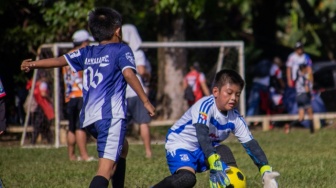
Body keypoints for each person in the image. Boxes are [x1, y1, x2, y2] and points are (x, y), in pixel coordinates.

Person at [21, 7, 155, 188]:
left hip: (89, 118)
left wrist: (33, 64)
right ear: (117, 30)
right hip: (110, 116)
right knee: (104, 170)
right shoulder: (122, 49)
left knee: (122, 147)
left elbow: (60, 60)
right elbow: (130, 74)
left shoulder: (87, 52)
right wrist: (146, 101)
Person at [152, 69, 279, 188]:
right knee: (186, 179)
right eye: (229, 93)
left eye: (237, 94)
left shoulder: (236, 118)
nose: (233, 98)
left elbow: (251, 145)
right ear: (216, 92)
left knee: (224, 153)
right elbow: (202, 135)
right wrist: (213, 160)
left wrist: (265, 170)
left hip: (203, 149)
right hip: (181, 145)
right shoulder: (205, 106)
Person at [62, 29, 95, 161]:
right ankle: (84, 155)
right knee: (80, 127)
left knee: (71, 127)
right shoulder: (81, 56)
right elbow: (83, 74)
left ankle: (71, 155)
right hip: (80, 95)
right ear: (84, 42)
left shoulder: (67, 56)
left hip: (69, 96)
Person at [122, 24, 153, 158]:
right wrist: (148, 75)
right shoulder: (138, 52)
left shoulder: (120, 51)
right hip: (137, 91)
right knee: (143, 122)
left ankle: (118, 151)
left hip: (123, 92)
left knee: (121, 125)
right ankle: (148, 152)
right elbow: (141, 70)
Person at [285, 41, 313, 115]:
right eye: (298, 48)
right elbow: (289, 69)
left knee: (306, 99)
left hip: (304, 80)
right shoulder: (292, 57)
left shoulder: (306, 57)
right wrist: (289, 80)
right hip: (295, 81)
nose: (299, 50)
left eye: (300, 48)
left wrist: (310, 80)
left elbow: (309, 69)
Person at [27, 72, 55, 144]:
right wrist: (50, 99)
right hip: (44, 106)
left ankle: (50, 141)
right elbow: (43, 93)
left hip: (39, 106)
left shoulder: (36, 84)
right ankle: (33, 141)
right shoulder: (43, 84)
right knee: (39, 125)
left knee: (44, 126)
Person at [286, 63, 314, 134]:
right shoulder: (305, 77)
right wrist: (310, 96)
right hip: (304, 95)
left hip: (298, 96)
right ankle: (312, 131)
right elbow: (307, 88)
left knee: (301, 117)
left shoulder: (297, 77)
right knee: (310, 113)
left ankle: (289, 126)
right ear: (303, 69)